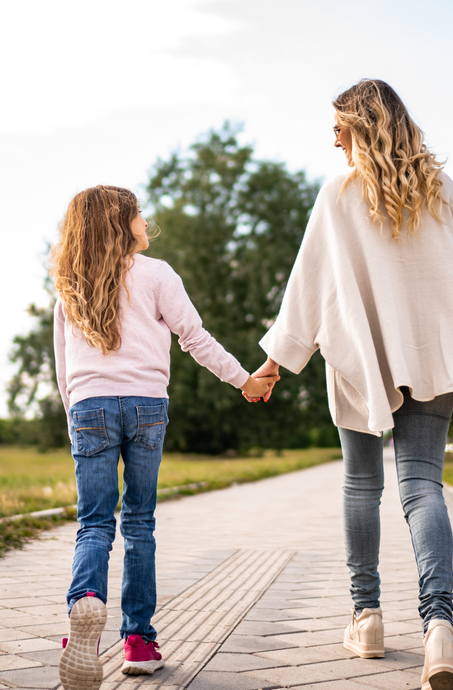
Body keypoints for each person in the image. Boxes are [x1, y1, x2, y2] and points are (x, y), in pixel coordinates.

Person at [249, 80, 453, 690]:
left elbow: (308, 290)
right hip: (434, 355)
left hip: (363, 360)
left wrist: (275, 365)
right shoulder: (442, 190)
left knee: (361, 484)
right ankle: (439, 627)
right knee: (422, 488)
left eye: (339, 125)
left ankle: (365, 618)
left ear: (363, 126)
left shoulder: (339, 196)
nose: (333, 137)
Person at [51, 185, 278, 690]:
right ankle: (137, 641)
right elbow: (195, 338)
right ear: (118, 223)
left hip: (89, 407)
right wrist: (244, 380)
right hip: (146, 408)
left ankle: (85, 606)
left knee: (93, 522)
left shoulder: (69, 284)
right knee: (138, 521)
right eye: (137, 215)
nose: (145, 222)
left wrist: (77, 416)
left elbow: (64, 365)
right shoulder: (157, 275)